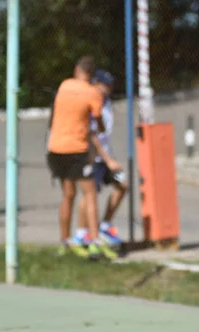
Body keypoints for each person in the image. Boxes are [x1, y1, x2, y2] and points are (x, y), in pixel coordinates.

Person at [46, 56, 115, 260]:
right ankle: (94, 243)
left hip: (56, 148)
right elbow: (98, 121)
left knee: (68, 194)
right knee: (90, 193)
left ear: (77, 70)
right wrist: (99, 126)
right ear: (92, 75)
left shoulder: (64, 85)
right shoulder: (92, 93)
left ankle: (64, 242)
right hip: (76, 149)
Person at [73, 69, 127, 249]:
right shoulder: (91, 102)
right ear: (95, 83)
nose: (107, 88)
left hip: (105, 157)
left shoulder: (107, 103)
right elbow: (93, 134)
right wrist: (107, 159)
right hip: (93, 158)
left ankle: (104, 225)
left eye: (109, 85)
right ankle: (81, 233)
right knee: (90, 194)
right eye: (104, 84)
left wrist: (110, 157)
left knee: (122, 185)